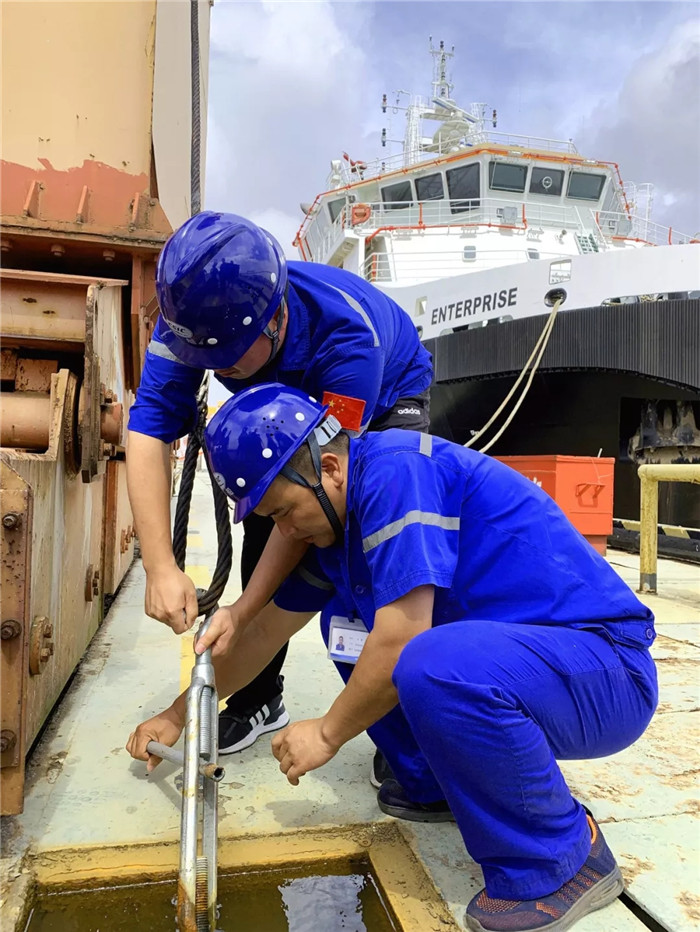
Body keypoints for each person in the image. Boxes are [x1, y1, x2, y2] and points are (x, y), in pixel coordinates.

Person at [127, 384, 658, 932]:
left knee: (426, 659)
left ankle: (561, 859)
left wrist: (328, 732)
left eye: (283, 512)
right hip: (524, 665)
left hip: (604, 669)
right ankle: (432, 784)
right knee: (348, 623)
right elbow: (264, 634)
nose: (285, 533)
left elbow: (402, 641)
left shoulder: (397, 472)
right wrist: (177, 717)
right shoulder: (339, 526)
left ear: (329, 468)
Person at [126, 211, 432, 758]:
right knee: (265, 519)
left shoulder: (346, 344)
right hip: (289, 386)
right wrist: (160, 566)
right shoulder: (192, 318)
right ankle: (260, 698)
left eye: (224, 360)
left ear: (274, 320)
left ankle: (400, 720)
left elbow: (318, 491)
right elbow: (148, 429)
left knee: (363, 541)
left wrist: (246, 610)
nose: (214, 369)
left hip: (388, 394)